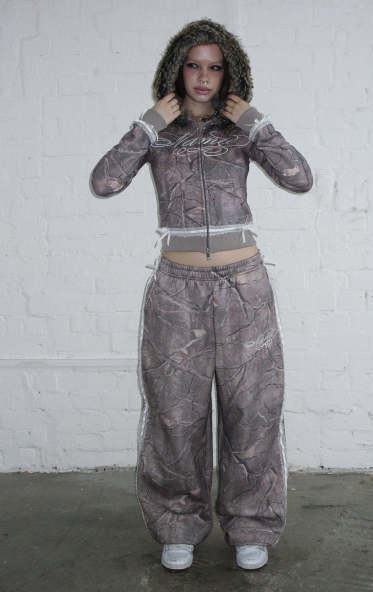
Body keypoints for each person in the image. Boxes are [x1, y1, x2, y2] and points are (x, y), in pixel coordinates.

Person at [90, 18, 313, 571]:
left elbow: (299, 178)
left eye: (215, 67)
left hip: (244, 288)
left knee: (253, 410)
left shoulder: (240, 132)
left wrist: (256, 123)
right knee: (175, 413)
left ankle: (251, 526)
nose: (204, 77)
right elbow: (104, 182)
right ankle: (177, 525)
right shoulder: (159, 134)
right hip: (176, 291)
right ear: (178, 70)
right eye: (194, 65)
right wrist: (147, 125)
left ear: (229, 73)